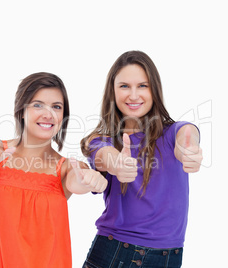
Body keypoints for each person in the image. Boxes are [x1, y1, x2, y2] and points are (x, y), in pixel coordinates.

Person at [80, 51, 203, 268]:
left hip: (168, 258)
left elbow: (188, 133)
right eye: (124, 86)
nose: (134, 95)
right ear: (112, 91)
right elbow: (102, 155)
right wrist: (117, 163)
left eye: (143, 86)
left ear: (154, 90)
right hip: (114, 253)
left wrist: (189, 147)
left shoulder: (172, 133)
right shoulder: (99, 139)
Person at [0, 72, 107, 268]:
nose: (48, 114)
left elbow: (77, 182)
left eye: (56, 107)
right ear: (21, 109)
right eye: (38, 104)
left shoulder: (67, 168)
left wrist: (90, 180)